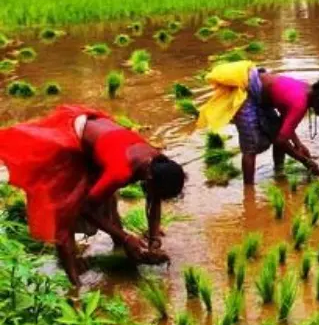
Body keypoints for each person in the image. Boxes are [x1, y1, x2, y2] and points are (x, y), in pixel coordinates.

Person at [0, 105, 187, 285]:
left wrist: (154, 239)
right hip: (72, 139)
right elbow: (86, 208)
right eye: (156, 191)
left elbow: (154, 200)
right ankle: (74, 283)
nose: (155, 196)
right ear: (149, 177)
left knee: (108, 196)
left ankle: (120, 246)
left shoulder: (155, 161)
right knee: (66, 212)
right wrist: (126, 237)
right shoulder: (121, 170)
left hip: (103, 137)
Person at [197, 61, 319, 184]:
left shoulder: (307, 91)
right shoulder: (300, 103)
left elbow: (285, 126)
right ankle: (249, 191)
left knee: (278, 131)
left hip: (260, 92)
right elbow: (280, 141)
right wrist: (306, 162)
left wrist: (298, 145)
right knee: (251, 147)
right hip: (248, 93)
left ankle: (278, 172)